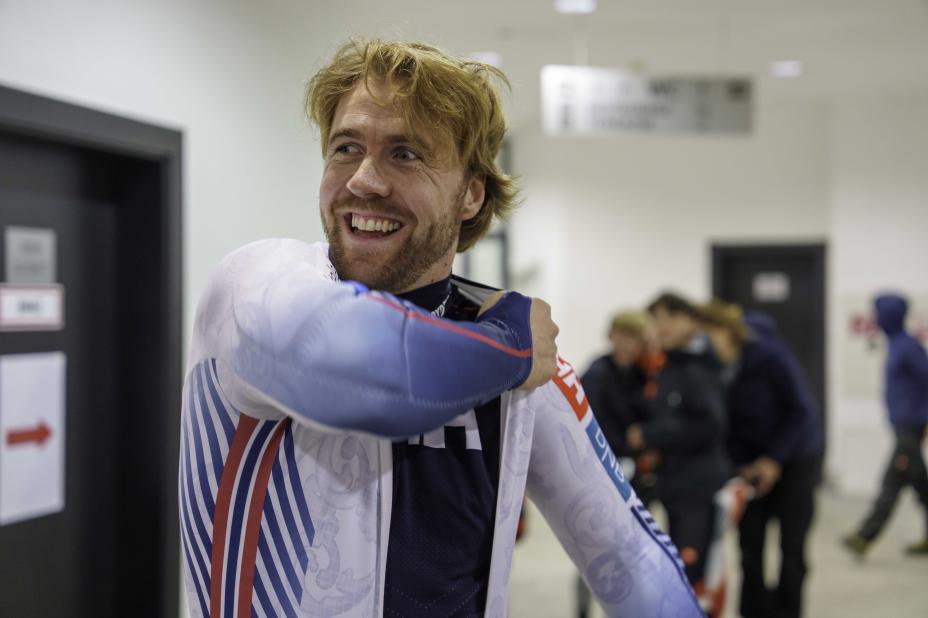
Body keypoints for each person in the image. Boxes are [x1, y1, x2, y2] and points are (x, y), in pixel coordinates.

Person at [178, 39, 703, 617]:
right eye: (346, 148)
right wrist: (512, 344)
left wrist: (514, 348)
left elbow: (631, 557)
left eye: (405, 154)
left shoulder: (524, 367)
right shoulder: (254, 288)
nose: (364, 180)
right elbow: (368, 374)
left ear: (471, 194)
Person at [702, 301, 823, 618]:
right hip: (747, 467)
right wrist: (738, 465)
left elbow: (802, 412)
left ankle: (788, 611)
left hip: (794, 461)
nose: (706, 342)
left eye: (710, 334)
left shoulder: (770, 357)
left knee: (792, 550)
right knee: (749, 549)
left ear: (727, 331)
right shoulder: (711, 368)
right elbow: (720, 423)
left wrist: (773, 460)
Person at [627, 292, 730, 591]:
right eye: (656, 319)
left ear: (692, 321)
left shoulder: (699, 366)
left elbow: (711, 425)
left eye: (670, 317)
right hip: (675, 482)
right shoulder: (671, 364)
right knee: (677, 574)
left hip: (697, 487)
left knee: (693, 578)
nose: (663, 326)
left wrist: (652, 435)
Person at [575, 311, 662, 618]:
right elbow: (590, 425)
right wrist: (630, 444)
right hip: (601, 472)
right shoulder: (597, 373)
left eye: (634, 338)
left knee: (633, 548)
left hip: (634, 474)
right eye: (622, 336)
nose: (627, 344)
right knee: (594, 551)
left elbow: (652, 416)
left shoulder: (642, 375)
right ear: (611, 336)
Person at [843, 293, 928, 558]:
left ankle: (864, 536)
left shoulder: (908, 347)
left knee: (892, 482)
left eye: (878, 313)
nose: (875, 319)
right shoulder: (896, 344)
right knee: (920, 485)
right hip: (903, 427)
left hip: (910, 429)